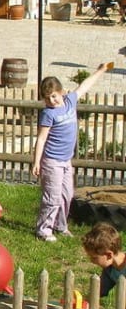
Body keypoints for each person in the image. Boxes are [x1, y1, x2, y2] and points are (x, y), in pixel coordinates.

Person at [32, 63, 109, 241]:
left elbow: (85, 86)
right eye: (47, 98)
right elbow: (42, 138)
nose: (51, 101)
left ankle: (60, 225)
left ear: (62, 92)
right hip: (51, 161)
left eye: (54, 96)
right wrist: (36, 162)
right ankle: (44, 229)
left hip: (66, 160)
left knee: (67, 195)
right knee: (53, 196)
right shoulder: (48, 114)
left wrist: (101, 70)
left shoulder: (70, 102)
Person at [82, 222, 126, 297]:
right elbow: (99, 291)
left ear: (109, 255)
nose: (91, 260)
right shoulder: (109, 270)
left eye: (94, 257)